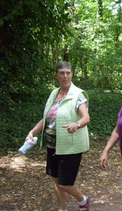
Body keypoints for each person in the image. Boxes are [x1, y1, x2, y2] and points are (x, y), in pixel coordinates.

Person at [26, 61, 90, 211]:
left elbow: (86, 118)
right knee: (56, 180)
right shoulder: (54, 94)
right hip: (52, 145)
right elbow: (47, 117)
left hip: (70, 145)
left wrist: (77, 124)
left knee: (64, 183)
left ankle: (83, 200)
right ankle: (62, 208)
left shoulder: (78, 95)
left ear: (72, 74)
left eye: (68, 73)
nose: (65, 76)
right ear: (57, 75)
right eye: (62, 73)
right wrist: (32, 132)